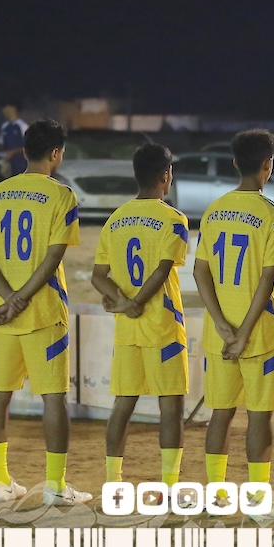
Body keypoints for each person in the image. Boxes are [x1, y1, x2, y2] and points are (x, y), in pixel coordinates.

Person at [0, 119, 89, 506]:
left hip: (2, 313)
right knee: (54, 399)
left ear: (24, 151)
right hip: (44, 312)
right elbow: (53, 257)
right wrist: (22, 298)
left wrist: (9, 298)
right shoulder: (62, 195)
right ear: (56, 154)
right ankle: (55, 485)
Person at [193, 130, 274, 500]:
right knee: (259, 416)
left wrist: (222, 325)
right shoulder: (273, 215)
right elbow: (267, 279)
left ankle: (216, 495)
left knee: (220, 414)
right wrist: (245, 332)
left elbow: (200, 272)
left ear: (234, 162)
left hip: (219, 333)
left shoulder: (214, 210)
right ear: (268, 165)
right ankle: (257, 499)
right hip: (259, 333)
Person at [90, 143, 190, 490]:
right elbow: (162, 270)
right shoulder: (174, 219)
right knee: (171, 407)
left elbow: (98, 276)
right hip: (162, 326)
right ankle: (169, 486)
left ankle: (113, 482)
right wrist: (138, 301)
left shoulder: (115, 219)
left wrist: (123, 301)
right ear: (165, 176)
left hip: (128, 329)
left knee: (123, 405)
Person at [0, 100, 28, 180]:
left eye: (6, 108)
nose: (4, 110)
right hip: (8, 165)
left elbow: (28, 145)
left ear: (14, 109)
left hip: (21, 165)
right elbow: (2, 145)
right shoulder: (5, 126)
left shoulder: (22, 126)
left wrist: (13, 152)